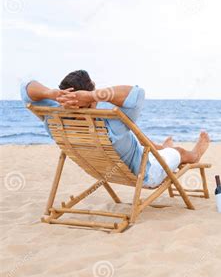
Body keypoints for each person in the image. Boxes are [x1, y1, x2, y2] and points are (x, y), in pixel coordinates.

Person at [20, 70, 210, 188]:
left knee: (134, 134)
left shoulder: (54, 115)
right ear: (88, 94)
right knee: (177, 151)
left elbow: (26, 87)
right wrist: (92, 95)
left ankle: (161, 148)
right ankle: (191, 154)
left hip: (99, 170)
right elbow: (137, 94)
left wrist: (51, 94)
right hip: (145, 175)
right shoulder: (109, 122)